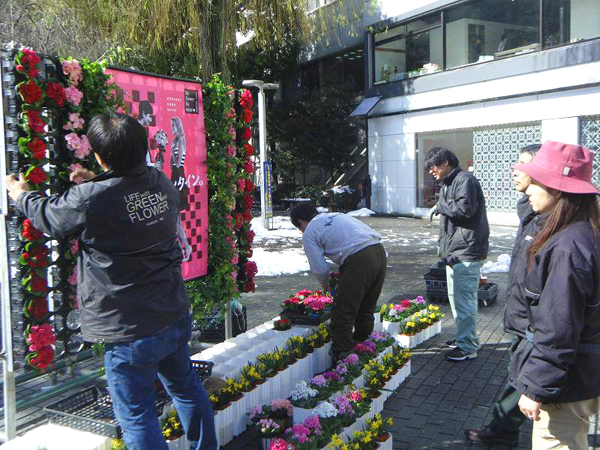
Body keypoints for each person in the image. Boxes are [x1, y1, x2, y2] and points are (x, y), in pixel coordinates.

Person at [6, 113, 217, 450]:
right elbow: (124, 198)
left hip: (129, 329)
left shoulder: (90, 198)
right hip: (172, 313)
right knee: (187, 388)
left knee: (137, 415)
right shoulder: (159, 182)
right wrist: (98, 181)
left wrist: (21, 194)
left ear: (100, 156)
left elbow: (50, 217)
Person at [505, 141, 600, 449]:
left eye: (535, 180)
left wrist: (536, 387)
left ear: (557, 188)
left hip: (566, 383)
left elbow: (559, 326)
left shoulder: (567, 247)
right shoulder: (583, 231)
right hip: (578, 373)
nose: (527, 188)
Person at [466, 144, 542, 446]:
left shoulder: (548, 217)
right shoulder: (529, 207)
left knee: (524, 375)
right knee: (518, 370)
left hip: (538, 321)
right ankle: (502, 430)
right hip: (525, 316)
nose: (515, 170)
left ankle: (501, 430)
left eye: (523, 164)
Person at [290, 203, 386, 361]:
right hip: (378, 252)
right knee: (366, 306)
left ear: (301, 222)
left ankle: (343, 355)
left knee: (343, 310)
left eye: (299, 228)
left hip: (359, 259)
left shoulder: (310, 231)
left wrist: (326, 285)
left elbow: (319, 267)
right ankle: (365, 345)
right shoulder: (337, 215)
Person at [426, 147, 489, 361]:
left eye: (432, 166)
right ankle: (465, 338)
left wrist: (440, 205)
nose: (430, 171)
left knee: (464, 302)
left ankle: (468, 346)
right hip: (454, 253)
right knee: (456, 300)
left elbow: (465, 210)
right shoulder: (449, 183)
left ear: (445, 163)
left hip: (466, 252)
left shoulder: (465, 180)